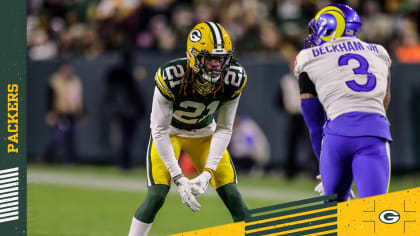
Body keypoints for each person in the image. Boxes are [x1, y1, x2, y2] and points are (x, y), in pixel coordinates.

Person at [128, 22, 249, 236]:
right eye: (210, 58)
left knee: (234, 197)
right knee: (156, 195)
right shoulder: (172, 75)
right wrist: (179, 177)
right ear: (193, 55)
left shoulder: (234, 77)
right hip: (171, 134)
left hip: (205, 134)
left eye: (220, 59)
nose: (216, 65)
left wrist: (207, 173)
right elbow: (158, 130)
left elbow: (224, 128)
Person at [294, 4, 392, 202]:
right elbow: (385, 98)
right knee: (375, 215)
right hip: (374, 133)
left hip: (336, 137)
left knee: (335, 213)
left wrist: (324, 168)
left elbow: (314, 125)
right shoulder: (380, 53)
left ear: (330, 27)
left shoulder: (308, 58)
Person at [276, 56, 317, 179]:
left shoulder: (309, 77)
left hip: (307, 115)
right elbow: (278, 100)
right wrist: (286, 109)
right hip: (293, 115)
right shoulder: (286, 80)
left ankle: (313, 171)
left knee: (311, 145)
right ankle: (290, 171)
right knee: (290, 144)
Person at [104, 51, 146, 170]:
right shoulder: (130, 74)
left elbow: (109, 94)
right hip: (130, 111)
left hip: (119, 111)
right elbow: (136, 94)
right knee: (127, 138)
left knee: (123, 138)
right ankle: (125, 163)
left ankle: (123, 162)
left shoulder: (114, 74)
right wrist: (140, 109)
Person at [43, 61, 84, 163]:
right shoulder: (55, 81)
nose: (67, 71)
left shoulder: (75, 81)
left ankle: (71, 160)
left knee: (72, 138)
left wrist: (82, 111)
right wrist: (51, 112)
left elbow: (79, 98)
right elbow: (50, 98)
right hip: (60, 114)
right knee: (57, 137)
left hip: (72, 114)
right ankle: (46, 157)